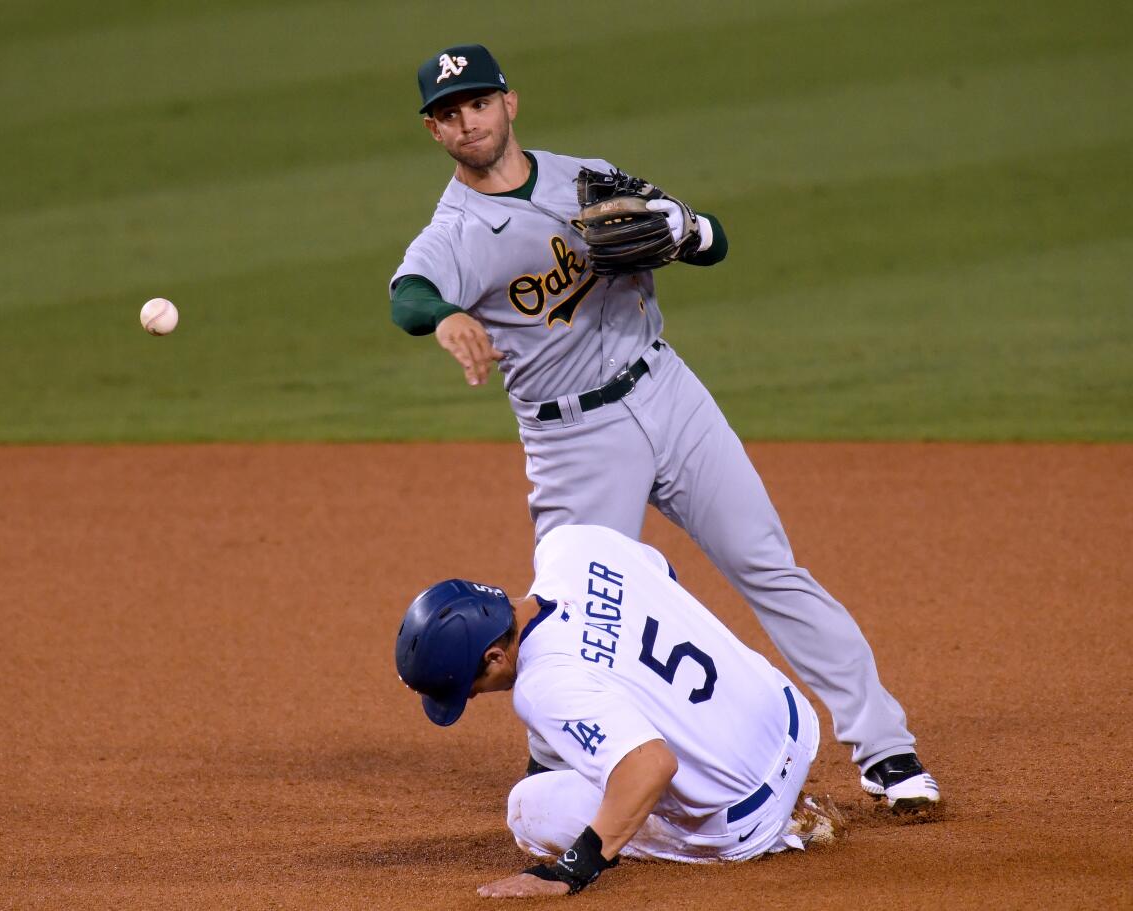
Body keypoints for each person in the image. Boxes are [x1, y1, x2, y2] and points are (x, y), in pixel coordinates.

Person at [389, 43, 939, 810]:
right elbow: (408, 294)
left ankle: (887, 751)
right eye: (449, 113)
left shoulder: (587, 176)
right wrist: (446, 315)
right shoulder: (455, 229)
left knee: (769, 565)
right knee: (562, 615)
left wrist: (684, 225)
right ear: (434, 131)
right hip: (574, 441)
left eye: (478, 102)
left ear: (509, 104)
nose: (467, 121)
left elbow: (714, 241)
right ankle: (554, 774)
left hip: (670, 394)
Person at [395, 524, 848, 898]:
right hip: (791, 719)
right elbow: (662, 575)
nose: (471, 697)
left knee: (528, 807)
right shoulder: (571, 545)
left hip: (746, 816)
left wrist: (572, 871)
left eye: (468, 686)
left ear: (495, 655)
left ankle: (783, 827)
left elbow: (651, 765)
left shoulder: (541, 685)